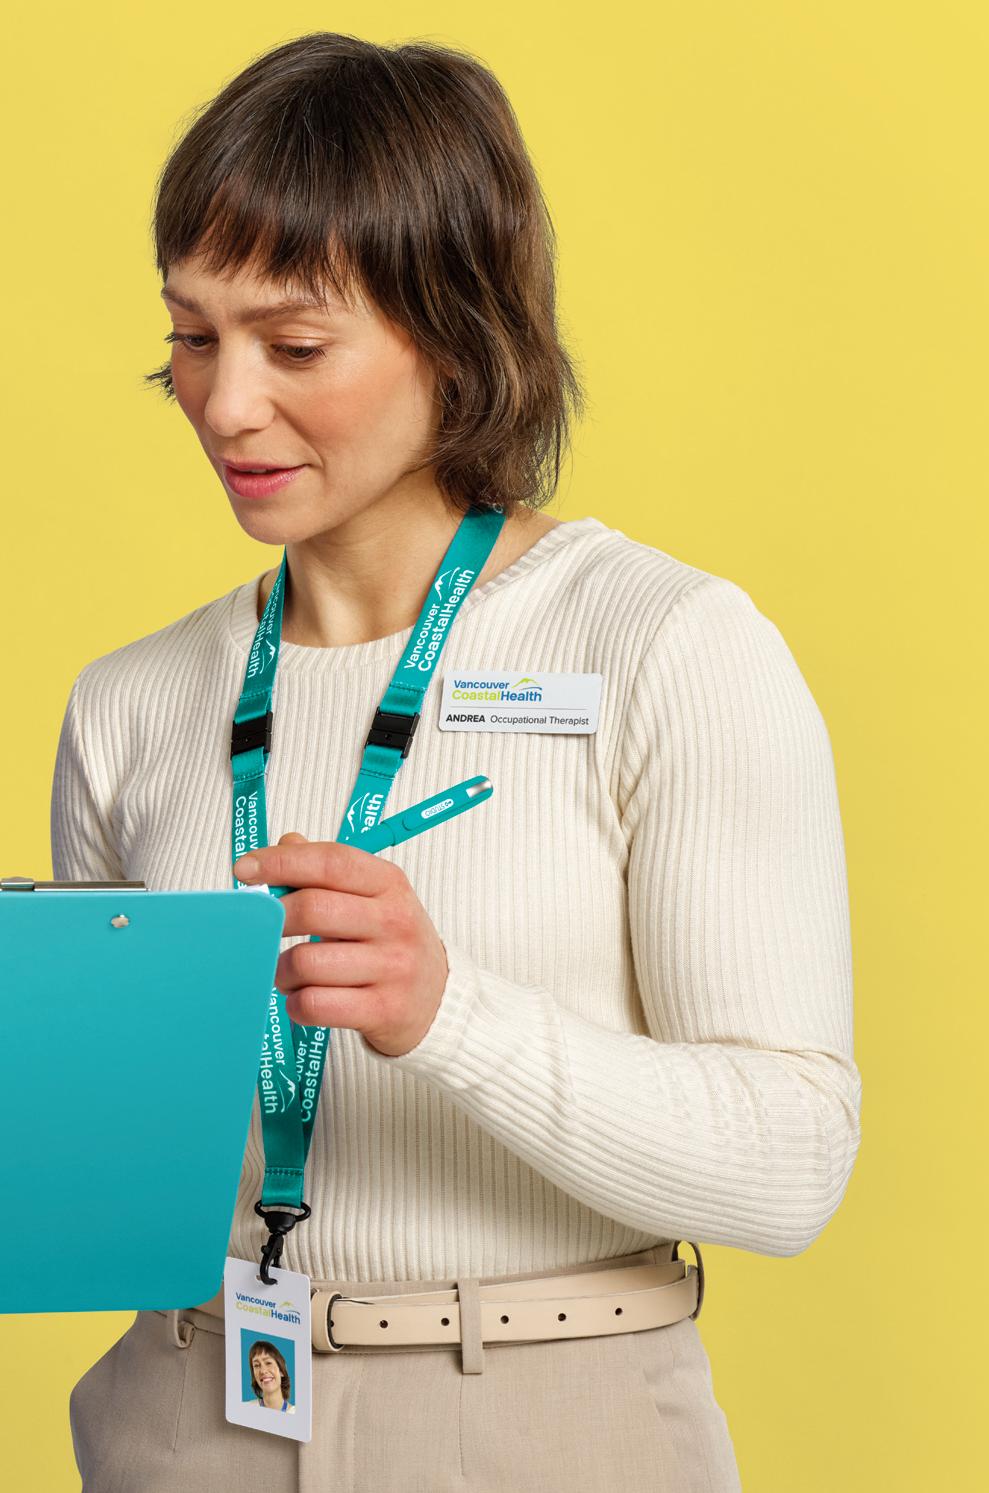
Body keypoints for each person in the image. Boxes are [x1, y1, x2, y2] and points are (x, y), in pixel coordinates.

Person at [53, 31, 862, 1493]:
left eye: (296, 346)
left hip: (541, 1418)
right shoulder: (131, 703)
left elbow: (791, 1164)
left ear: (457, 332)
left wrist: (449, 1012)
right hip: (184, 1416)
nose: (225, 404)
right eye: (193, 334)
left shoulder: (664, 646)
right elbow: (103, 1186)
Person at [248, 1342, 295, 1414]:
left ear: (281, 1371)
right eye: (256, 1365)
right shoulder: (246, 1409)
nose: (263, 1371)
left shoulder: (296, 1414)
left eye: (268, 1363)